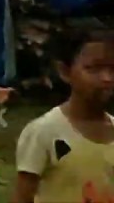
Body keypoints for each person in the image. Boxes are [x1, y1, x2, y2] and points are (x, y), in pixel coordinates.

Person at [13, 26, 114, 203]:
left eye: (113, 70)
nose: (107, 78)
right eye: (94, 69)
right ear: (65, 72)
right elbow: (23, 196)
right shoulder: (44, 132)